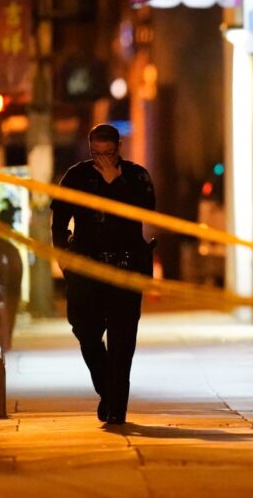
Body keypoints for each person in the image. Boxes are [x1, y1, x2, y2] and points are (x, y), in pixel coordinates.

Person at [51, 123, 155, 425]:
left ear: (118, 148)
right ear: (89, 148)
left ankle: (116, 405)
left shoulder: (135, 176)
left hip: (125, 266)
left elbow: (146, 212)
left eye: (108, 153)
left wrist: (115, 184)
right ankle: (107, 390)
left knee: (123, 340)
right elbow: (60, 222)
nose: (103, 160)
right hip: (86, 267)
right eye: (97, 153)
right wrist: (63, 260)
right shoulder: (76, 176)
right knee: (85, 330)